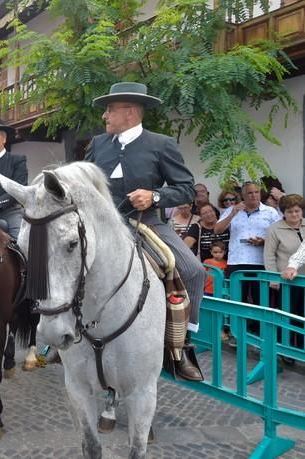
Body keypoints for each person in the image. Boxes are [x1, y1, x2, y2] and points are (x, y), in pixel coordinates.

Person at [86, 81, 203, 381]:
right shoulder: (98, 144)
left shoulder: (161, 144)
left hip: (147, 222)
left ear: (130, 112)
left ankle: (181, 346)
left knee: (193, 271)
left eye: (110, 110)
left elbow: (186, 188)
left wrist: (155, 197)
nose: (105, 116)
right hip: (104, 227)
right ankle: (63, 333)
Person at [214, 181, 280, 305]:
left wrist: (264, 242)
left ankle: (257, 325)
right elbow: (217, 230)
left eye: (256, 192)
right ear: (243, 195)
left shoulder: (270, 212)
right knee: (236, 301)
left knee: (260, 301)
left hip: (261, 262)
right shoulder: (232, 210)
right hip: (237, 261)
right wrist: (232, 214)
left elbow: (279, 237)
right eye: (250, 193)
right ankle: (236, 324)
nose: (253, 195)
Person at [265, 194, 305, 353]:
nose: (294, 215)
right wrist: (273, 277)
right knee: (287, 314)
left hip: (304, 279)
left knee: (303, 316)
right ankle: (285, 349)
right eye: (290, 211)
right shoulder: (275, 228)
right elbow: (269, 255)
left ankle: (301, 348)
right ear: (283, 213)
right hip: (286, 279)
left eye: (297, 211)